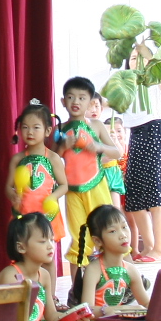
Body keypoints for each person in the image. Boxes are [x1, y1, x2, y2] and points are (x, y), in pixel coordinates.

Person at [0, 213, 93, 321]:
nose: (50, 246)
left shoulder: (45, 275)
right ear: (21, 247)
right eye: (42, 241)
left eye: (51, 239)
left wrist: (72, 318)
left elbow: (52, 315)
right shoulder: (11, 276)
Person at [58, 78, 123, 262]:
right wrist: (63, 146)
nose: (75, 102)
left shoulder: (96, 125)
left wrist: (98, 146)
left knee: (108, 229)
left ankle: (120, 274)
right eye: (70, 97)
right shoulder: (60, 129)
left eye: (82, 98)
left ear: (89, 102)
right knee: (80, 238)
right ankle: (78, 279)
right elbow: (51, 158)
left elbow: (117, 152)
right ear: (63, 101)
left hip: (97, 185)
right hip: (72, 190)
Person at [7, 100, 68, 242]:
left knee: (46, 252)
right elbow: (8, 186)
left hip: (47, 215)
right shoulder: (17, 159)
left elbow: (64, 185)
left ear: (47, 131)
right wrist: (13, 195)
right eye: (25, 127)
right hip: (23, 215)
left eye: (36, 127)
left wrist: (53, 197)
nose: (30, 132)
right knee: (23, 250)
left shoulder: (53, 158)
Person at [122, 108, 161, 263]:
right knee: (135, 197)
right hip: (135, 132)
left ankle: (159, 250)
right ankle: (149, 246)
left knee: (155, 197)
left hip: (153, 129)